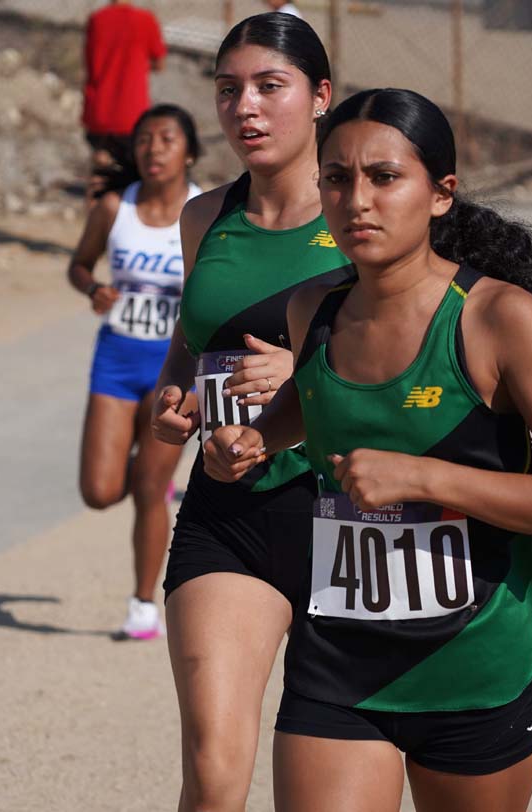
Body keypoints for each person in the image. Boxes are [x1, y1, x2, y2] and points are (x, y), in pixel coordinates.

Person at [202, 87, 532, 812]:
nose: (356, 199)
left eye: (384, 177)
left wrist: (423, 477)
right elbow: (315, 401)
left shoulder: (496, 320)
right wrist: (253, 440)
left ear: (440, 194)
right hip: (337, 662)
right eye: (336, 178)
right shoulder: (313, 309)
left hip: (474, 665)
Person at [148, 13, 348, 810]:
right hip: (228, 507)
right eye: (230, 91)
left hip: (350, 515)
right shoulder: (205, 217)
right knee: (214, 768)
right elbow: (192, 338)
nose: (247, 110)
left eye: (271, 87)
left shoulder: (362, 217)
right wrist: (176, 392)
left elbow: (424, 351)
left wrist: (306, 369)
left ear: (321, 96)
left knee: (325, 793)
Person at [67, 104, 203, 640]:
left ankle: (144, 604)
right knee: (99, 492)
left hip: (176, 365)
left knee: (149, 488)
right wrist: (92, 287)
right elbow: (78, 264)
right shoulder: (111, 207)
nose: (153, 149)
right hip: (118, 359)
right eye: (144, 139)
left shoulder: (205, 211)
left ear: (189, 152)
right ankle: (153, 473)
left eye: (167, 139)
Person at [82, 0, 166, 193]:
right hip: (132, 114)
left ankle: (96, 220)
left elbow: (90, 64)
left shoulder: (97, 19)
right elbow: (159, 63)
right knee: (133, 181)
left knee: (99, 175)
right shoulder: (145, 20)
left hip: (99, 111)